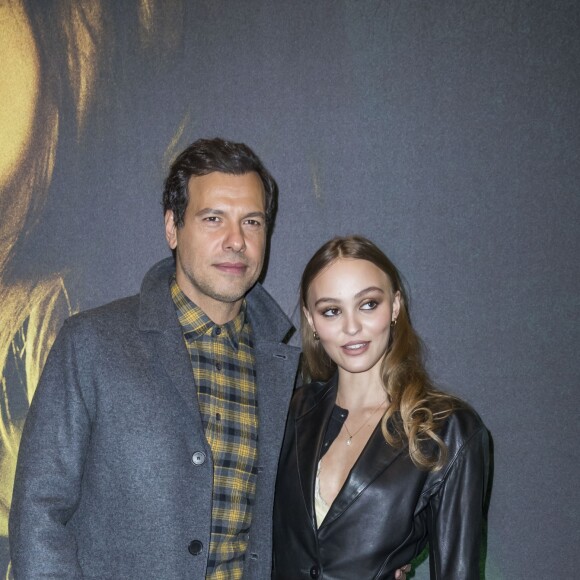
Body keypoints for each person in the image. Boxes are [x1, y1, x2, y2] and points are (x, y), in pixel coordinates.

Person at [9, 138, 302, 579]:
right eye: (213, 219)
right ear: (172, 227)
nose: (236, 241)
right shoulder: (92, 343)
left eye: (252, 222)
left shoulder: (288, 371)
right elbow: (39, 511)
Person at [273, 236, 490, 579]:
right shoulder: (285, 414)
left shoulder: (448, 429)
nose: (351, 327)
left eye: (368, 304)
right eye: (331, 310)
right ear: (311, 320)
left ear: (395, 306)